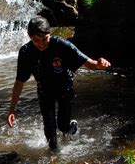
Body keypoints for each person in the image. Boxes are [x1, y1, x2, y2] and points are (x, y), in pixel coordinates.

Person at [6, 16, 110, 149]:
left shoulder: (61, 45)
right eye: (37, 40)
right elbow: (19, 81)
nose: (42, 44)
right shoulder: (26, 52)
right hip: (44, 90)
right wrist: (11, 109)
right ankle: (53, 160)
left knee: (63, 126)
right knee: (50, 132)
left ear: (50, 34)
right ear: (30, 37)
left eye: (45, 39)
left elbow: (89, 63)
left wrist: (99, 64)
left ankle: (71, 127)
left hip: (64, 88)